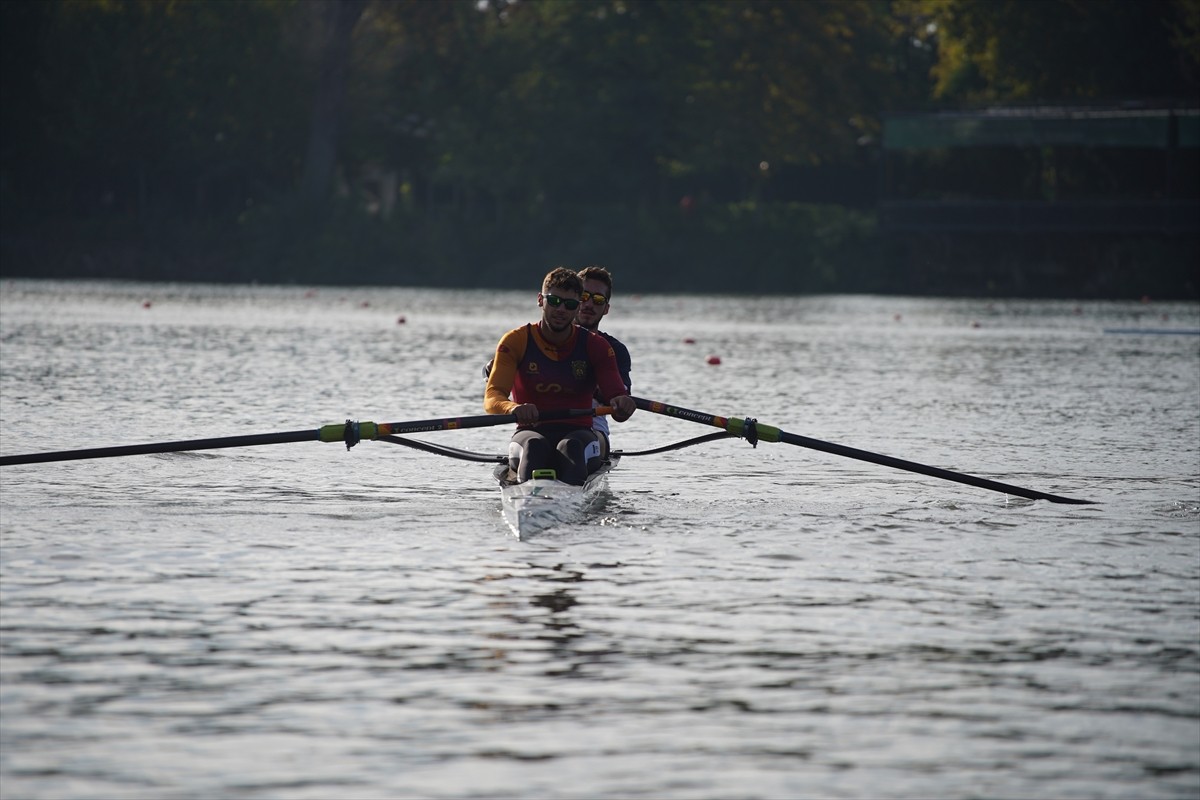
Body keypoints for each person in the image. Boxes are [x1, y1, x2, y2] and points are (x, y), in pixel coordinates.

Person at [485, 267, 635, 485]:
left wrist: (622, 404)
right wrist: (514, 408)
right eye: (554, 301)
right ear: (540, 300)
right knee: (534, 446)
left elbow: (617, 400)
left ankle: (568, 510)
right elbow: (492, 398)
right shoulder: (515, 341)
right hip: (530, 432)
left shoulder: (598, 347)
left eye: (570, 304)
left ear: (577, 309)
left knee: (571, 448)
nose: (561, 309)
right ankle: (529, 509)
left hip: (579, 433)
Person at [575, 265, 632, 456]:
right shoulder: (541, 340)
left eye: (598, 300)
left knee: (575, 445)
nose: (589, 304)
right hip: (543, 426)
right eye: (583, 296)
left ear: (606, 308)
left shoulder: (615, 350)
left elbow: (620, 412)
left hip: (592, 429)